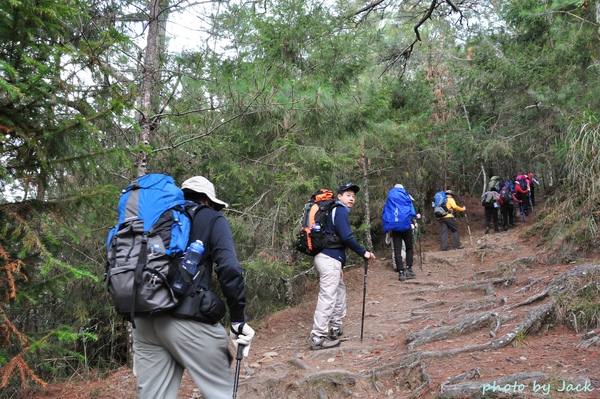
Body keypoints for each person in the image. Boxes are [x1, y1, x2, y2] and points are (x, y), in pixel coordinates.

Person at [132, 176, 255, 399]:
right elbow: (230, 268)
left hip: (143, 321)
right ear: (208, 201)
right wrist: (237, 320)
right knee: (221, 393)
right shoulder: (211, 218)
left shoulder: (156, 217)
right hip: (185, 318)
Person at [310, 182, 376, 350]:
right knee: (328, 297)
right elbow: (346, 237)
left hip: (331, 259)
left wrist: (338, 265)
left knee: (339, 292)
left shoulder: (337, 211)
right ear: (339, 197)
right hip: (329, 259)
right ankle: (318, 336)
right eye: (348, 195)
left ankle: (335, 327)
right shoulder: (339, 210)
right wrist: (364, 253)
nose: (351, 198)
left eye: (353, 196)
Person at [382, 184, 421, 282]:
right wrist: (416, 216)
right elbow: (411, 212)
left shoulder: (390, 199)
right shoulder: (406, 196)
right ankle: (408, 269)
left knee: (397, 250)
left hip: (395, 228)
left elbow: (386, 213)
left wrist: (387, 228)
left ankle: (400, 273)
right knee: (409, 248)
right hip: (406, 226)